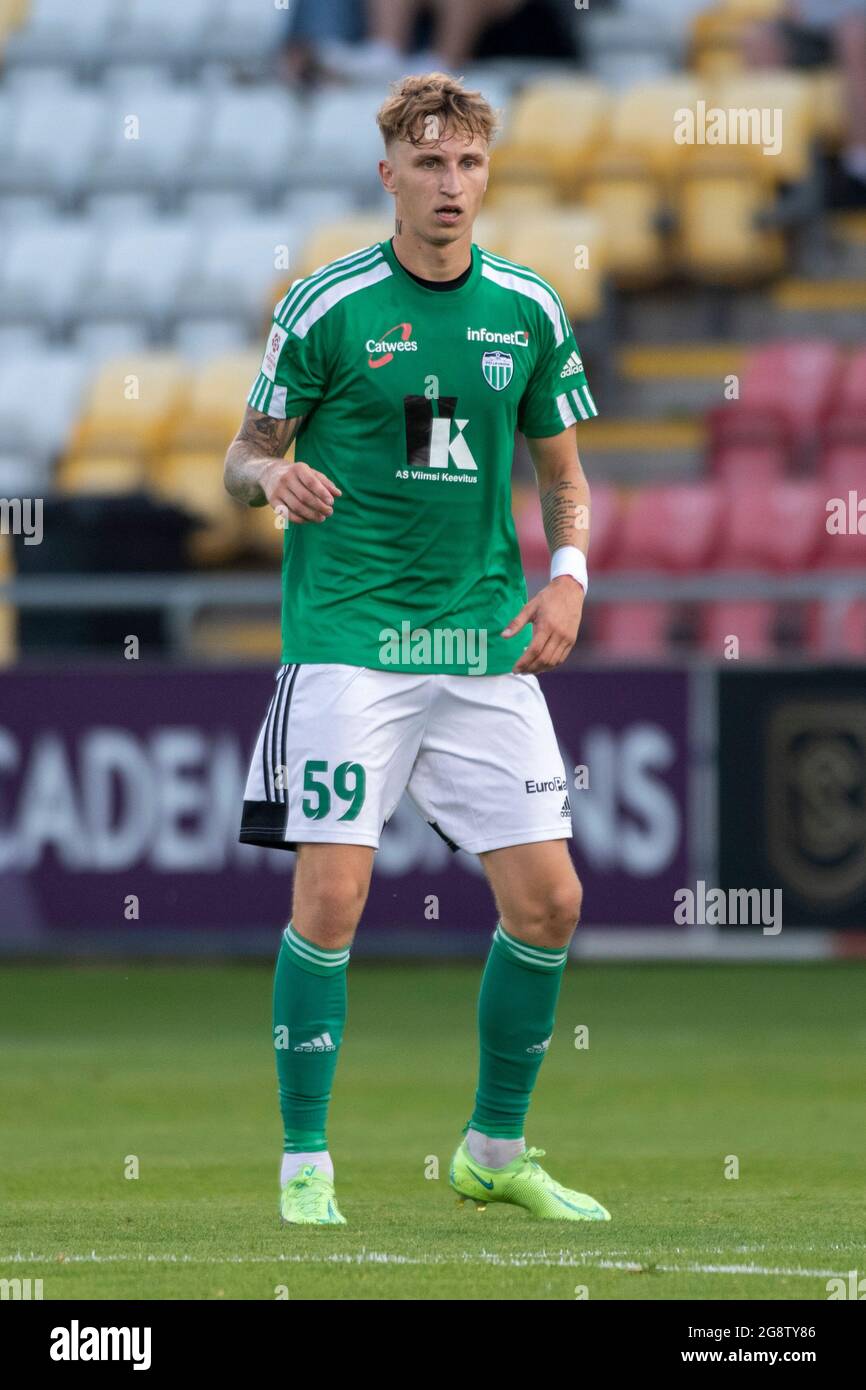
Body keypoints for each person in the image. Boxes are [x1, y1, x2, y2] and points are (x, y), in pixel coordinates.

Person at [223, 71, 609, 1226]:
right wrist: (268, 475)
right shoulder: (327, 304)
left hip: (482, 638)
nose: (451, 185)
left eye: (469, 165)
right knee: (334, 894)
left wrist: (568, 578)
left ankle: (493, 1150)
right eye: (429, 165)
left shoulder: (527, 309)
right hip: (350, 641)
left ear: (487, 174)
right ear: (386, 174)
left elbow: (564, 479)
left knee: (548, 902)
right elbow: (240, 454)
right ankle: (304, 1162)